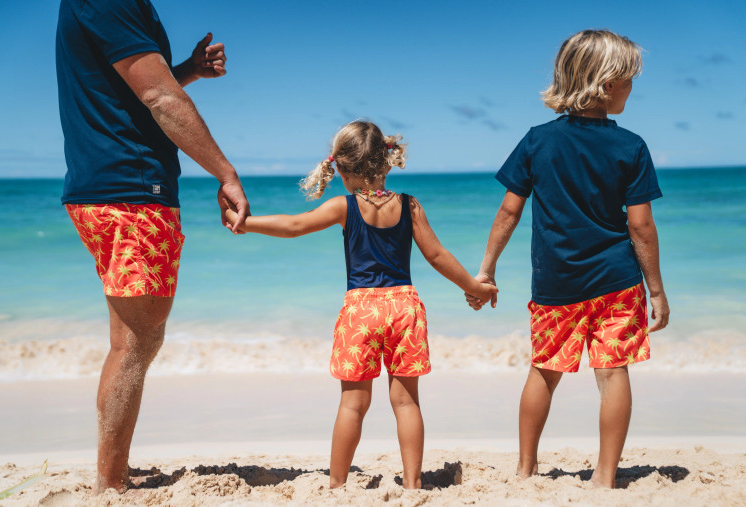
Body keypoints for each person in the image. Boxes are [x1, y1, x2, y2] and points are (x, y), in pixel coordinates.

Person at [225, 120, 496, 489]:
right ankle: (413, 483)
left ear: (340, 169)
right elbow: (436, 255)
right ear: (385, 161)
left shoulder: (343, 207)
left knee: (353, 404)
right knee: (406, 403)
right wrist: (474, 287)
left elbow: (293, 225)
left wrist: (247, 224)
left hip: (360, 312)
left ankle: (337, 485)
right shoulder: (409, 205)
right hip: (404, 307)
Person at [56, 0, 249, 493]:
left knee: (135, 339)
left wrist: (188, 70)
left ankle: (112, 473)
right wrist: (225, 173)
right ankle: (109, 483)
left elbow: (134, 87)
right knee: (137, 341)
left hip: (114, 188)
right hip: (130, 190)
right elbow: (158, 98)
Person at [467, 30, 670, 488]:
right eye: (629, 80)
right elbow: (640, 227)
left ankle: (525, 469)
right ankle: (604, 476)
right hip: (617, 281)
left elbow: (509, 211)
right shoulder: (631, 147)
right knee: (612, 371)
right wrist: (656, 289)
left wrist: (487, 268)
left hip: (556, 283)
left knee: (545, 370)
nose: (633, 89)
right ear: (606, 84)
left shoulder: (537, 142)